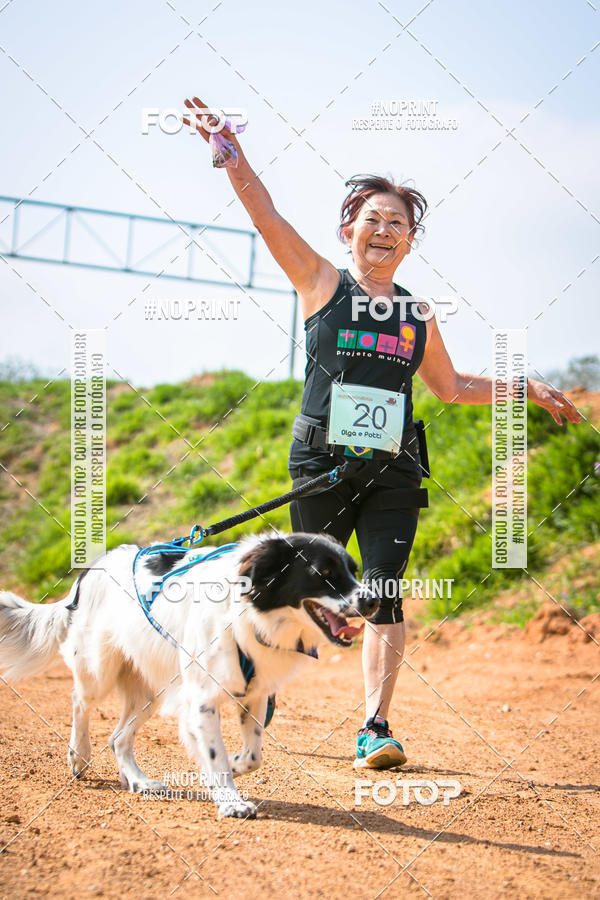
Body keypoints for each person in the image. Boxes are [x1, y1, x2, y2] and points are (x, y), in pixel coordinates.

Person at [184, 97, 583, 769]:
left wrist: (526, 389)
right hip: (321, 465)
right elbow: (264, 213)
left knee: (383, 588)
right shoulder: (317, 282)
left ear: (409, 239)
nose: (385, 229)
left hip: (392, 470)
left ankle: (376, 726)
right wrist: (230, 151)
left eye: (398, 222)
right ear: (349, 229)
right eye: (373, 218)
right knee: (292, 590)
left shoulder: (416, 312)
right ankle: (253, 686)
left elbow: (450, 387)